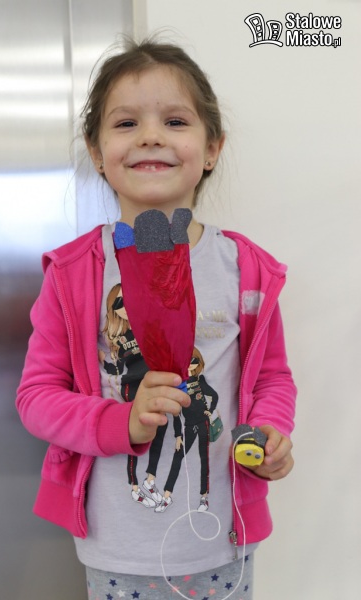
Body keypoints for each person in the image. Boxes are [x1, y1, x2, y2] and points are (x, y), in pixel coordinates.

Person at [16, 36, 296, 600]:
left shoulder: (246, 270)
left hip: (223, 543)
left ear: (211, 148)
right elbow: (36, 398)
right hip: (118, 550)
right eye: (126, 123)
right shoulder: (73, 274)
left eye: (174, 121)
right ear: (97, 152)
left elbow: (271, 378)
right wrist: (122, 422)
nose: (150, 136)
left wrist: (271, 433)